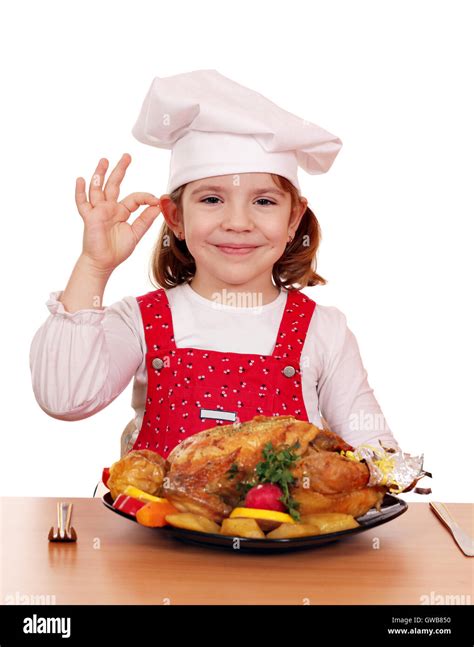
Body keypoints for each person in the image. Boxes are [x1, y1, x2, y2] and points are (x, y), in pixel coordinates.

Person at [29, 70, 400, 485]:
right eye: (211, 199)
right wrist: (94, 266)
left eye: (263, 200)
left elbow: (379, 453)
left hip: (285, 545)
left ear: (293, 217)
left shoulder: (323, 331)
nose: (237, 222)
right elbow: (64, 399)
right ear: (176, 217)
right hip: (156, 546)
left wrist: (372, 473)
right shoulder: (139, 320)